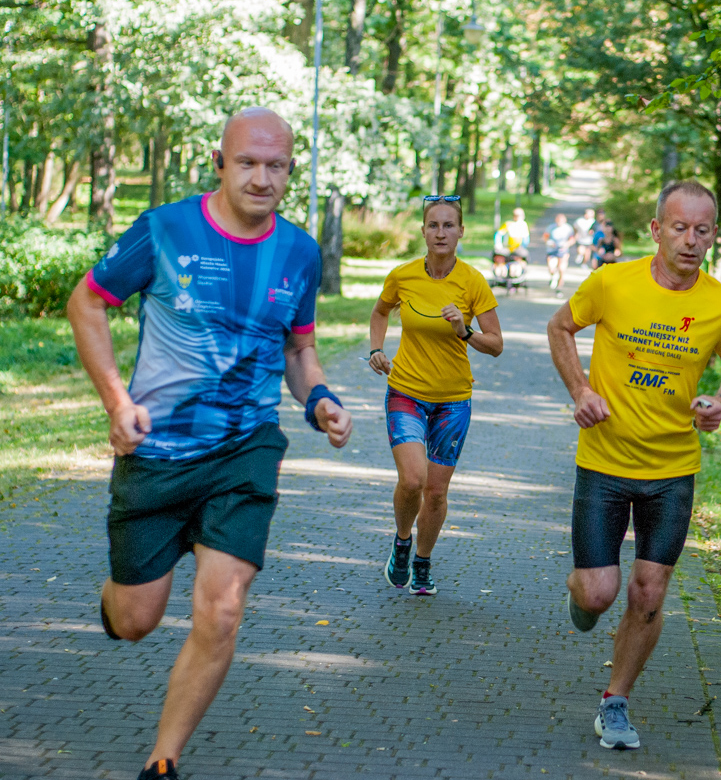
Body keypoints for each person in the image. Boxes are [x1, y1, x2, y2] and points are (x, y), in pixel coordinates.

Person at [65, 107, 353, 780]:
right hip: (158, 451)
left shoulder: (300, 252)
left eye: (275, 164)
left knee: (222, 607)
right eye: (247, 162)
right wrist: (116, 400)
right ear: (219, 163)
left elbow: (299, 349)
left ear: (289, 169)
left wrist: (321, 400)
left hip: (245, 448)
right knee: (137, 618)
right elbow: (87, 302)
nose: (261, 177)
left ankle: (162, 760)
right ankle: (118, 601)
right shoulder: (166, 229)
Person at [546, 180, 721, 751]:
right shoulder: (613, 282)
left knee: (649, 591)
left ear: (713, 235)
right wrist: (580, 389)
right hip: (605, 460)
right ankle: (580, 592)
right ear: (657, 231)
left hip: (672, 469)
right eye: (679, 228)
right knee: (597, 594)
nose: (690, 240)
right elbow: (559, 327)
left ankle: (616, 701)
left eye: (702, 230)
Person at [369, 195, 503, 596]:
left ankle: (423, 561)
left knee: (437, 491)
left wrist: (464, 329)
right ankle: (403, 541)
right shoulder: (403, 275)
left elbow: (496, 344)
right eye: (433, 225)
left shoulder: (473, 281)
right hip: (406, 390)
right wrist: (377, 349)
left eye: (449, 225)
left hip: (453, 399)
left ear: (461, 231)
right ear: (423, 231)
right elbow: (380, 311)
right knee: (412, 480)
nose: (441, 232)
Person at [493, 206, 531, 280]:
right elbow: (499, 234)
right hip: (507, 248)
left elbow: (526, 239)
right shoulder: (508, 224)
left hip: (517, 249)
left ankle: (519, 270)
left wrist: (523, 246)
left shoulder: (523, 225)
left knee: (523, 255)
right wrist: (498, 244)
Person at [543, 212, 575, 297]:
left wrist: (567, 244)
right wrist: (549, 242)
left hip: (563, 251)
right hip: (552, 250)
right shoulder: (551, 227)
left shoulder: (568, 228)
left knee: (561, 269)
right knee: (551, 267)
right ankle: (553, 277)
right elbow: (545, 237)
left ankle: (559, 288)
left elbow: (572, 239)